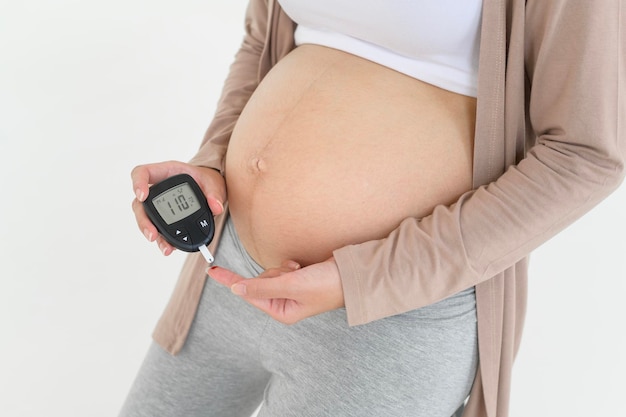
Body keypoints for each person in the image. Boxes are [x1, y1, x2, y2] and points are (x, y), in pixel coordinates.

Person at [120, 1, 625, 416]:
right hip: (225, 271)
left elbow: (585, 154)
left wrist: (365, 279)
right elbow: (262, 43)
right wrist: (210, 166)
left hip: (389, 326)